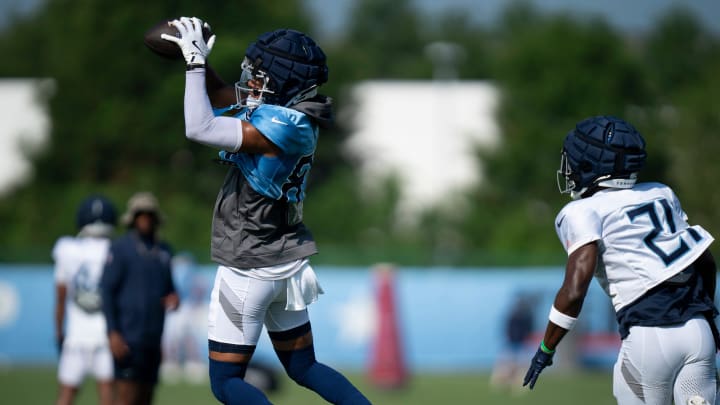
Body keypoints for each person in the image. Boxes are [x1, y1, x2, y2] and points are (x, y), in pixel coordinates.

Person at [161, 17, 371, 405]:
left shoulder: (281, 124)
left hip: (248, 265)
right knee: (304, 367)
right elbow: (224, 93)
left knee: (225, 382)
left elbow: (199, 127)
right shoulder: (293, 114)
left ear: (282, 81)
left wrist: (192, 65)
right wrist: (199, 61)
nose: (250, 81)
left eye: (259, 75)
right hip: (284, 261)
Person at [523, 115, 719, 405]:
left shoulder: (581, 211)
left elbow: (575, 289)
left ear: (590, 165)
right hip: (698, 331)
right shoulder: (661, 193)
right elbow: (703, 259)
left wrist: (546, 349)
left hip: (648, 339)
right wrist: (709, 316)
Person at [100, 191, 179, 405]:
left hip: (153, 336)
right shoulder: (120, 249)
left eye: (149, 214)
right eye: (140, 214)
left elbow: (169, 288)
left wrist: (174, 298)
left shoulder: (163, 251)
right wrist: (113, 332)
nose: (145, 219)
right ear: (133, 218)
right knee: (126, 395)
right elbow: (106, 291)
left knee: (146, 395)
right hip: (128, 336)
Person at [53, 195, 117, 405]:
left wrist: (59, 332)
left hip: (76, 336)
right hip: (106, 336)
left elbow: (61, 298)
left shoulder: (67, 249)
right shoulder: (116, 251)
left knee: (66, 394)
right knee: (107, 392)